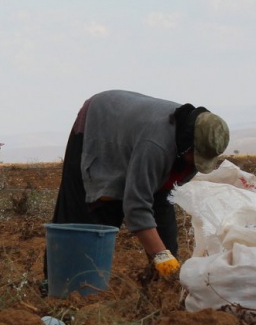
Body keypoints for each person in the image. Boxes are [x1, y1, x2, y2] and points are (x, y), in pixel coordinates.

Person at [49, 90, 228, 281]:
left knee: (159, 221)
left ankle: (160, 284)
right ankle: (61, 284)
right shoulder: (155, 145)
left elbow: (162, 200)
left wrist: (169, 258)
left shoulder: (193, 147)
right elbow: (136, 205)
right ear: (189, 144)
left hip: (133, 136)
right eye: (197, 156)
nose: (197, 165)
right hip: (98, 123)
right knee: (87, 216)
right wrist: (160, 256)